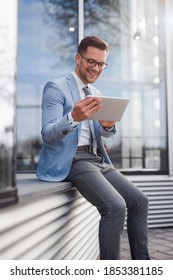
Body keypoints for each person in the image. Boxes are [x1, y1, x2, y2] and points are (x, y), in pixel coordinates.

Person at [36, 35, 150, 260]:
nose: (96, 68)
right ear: (78, 58)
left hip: (97, 159)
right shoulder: (56, 88)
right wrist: (73, 117)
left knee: (140, 201)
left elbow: (101, 134)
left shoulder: (97, 94)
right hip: (74, 160)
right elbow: (48, 134)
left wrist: (108, 127)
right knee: (115, 206)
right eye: (91, 62)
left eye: (101, 64)